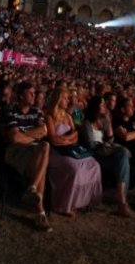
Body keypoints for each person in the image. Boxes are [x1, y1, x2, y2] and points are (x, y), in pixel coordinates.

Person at [44, 88, 103, 218]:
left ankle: (85, 200)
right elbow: (53, 139)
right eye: (65, 98)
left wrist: (65, 139)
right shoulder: (49, 116)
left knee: (94, 165)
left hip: (70, 149)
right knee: (74, 168)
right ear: (58, 100)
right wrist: (67, 139)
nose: (68, 101)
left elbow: (75, 135)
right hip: (55, 152)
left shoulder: (68, 117)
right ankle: (65, 205)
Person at [2, 81, 52, 231]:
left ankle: (32, 189)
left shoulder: (36, 112)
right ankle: (39, 212)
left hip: (33, 149)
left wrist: (23, 134)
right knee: (41, 169)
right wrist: (32, 135)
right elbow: (15, 139)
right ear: (21, 95)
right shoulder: (10, 111)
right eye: (30, 93)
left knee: (45, 146)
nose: (34, 96)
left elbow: (44, 131)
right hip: (15, 151)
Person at [82, 95, 133, 217]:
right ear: (96, 107)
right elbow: (90, 145)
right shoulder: (87, 123)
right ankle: (122, 201)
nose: (105, 107)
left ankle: (121, 200)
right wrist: (106, 145)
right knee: (123, 157)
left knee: (123, 158)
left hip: (104, 152)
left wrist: (109, 122)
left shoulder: (104, 121)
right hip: (93, 154)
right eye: (102, 105)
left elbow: (110, 139)